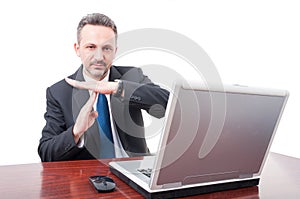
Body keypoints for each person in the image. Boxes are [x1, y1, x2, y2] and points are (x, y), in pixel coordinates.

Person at [38, 13, 169, 162]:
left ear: (115, 51)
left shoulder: (132, 76)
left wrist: (118, 88)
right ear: (77, 49)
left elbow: (168, 104)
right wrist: (76, 132)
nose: (99, 56)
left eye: (106, 48)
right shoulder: (59, 92)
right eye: (91, 47)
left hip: (134, 170)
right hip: (89, 177)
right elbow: (46, 153)